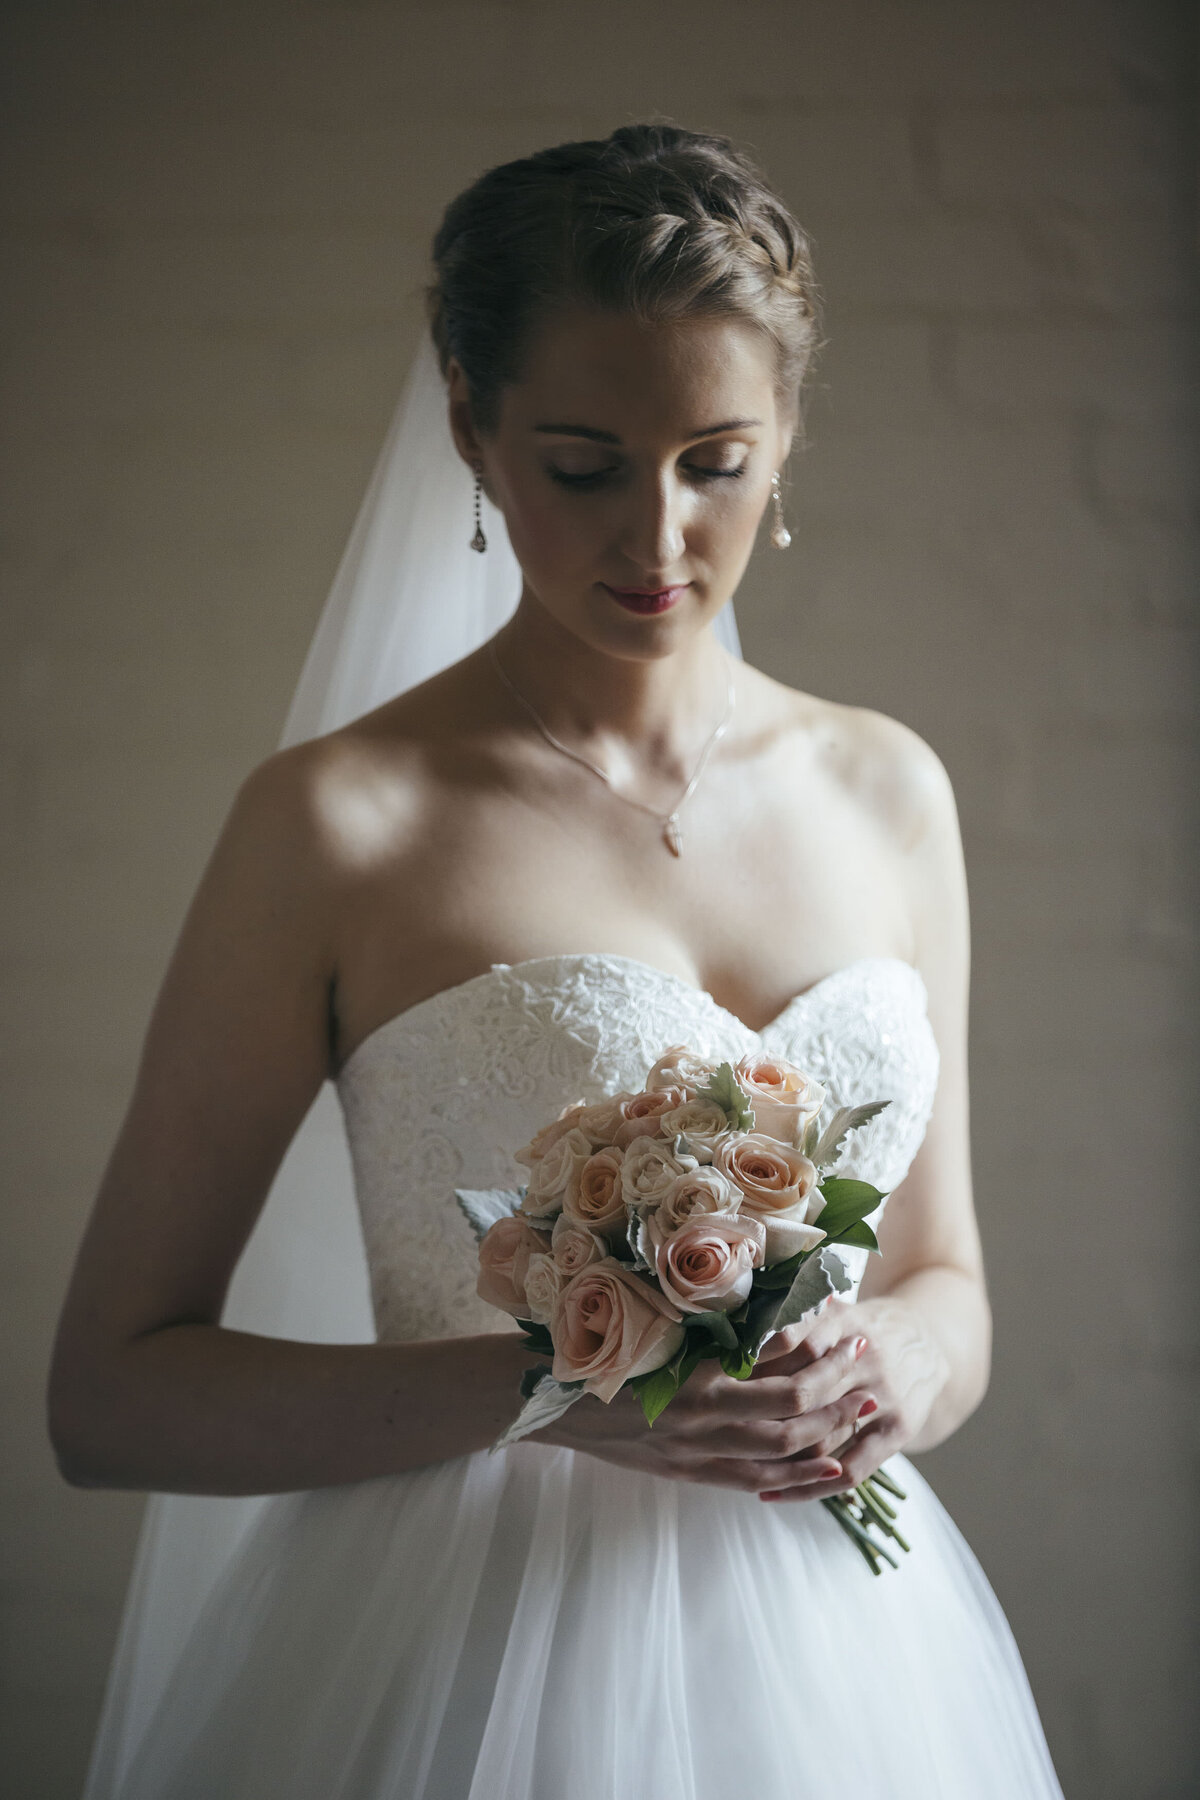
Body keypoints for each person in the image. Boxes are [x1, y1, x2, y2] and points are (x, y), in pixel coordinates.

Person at [50, 124, 1063, 1798]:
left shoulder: (892, 792)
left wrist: (902, 1366)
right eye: (584, 463)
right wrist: (549, 1393)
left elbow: (947, 1277)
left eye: (717, 461)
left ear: (789, 438)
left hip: (850, 1682)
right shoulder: (340, 824)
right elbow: (111, 1401)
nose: (657, 537)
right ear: (472, 424)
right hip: (455, 1673)